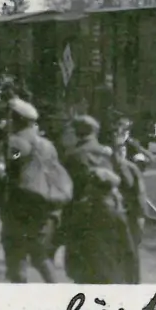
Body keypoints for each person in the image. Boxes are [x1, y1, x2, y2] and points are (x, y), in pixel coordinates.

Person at [0, 98, 70, 283]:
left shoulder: (15, 143)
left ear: (16, 119)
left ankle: (19, 292)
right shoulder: (47, 145)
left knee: (15, 253)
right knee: (39, 255)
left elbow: (6, 165)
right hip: (44, 205)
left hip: (19, 204)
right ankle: (56, 289)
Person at [60, 116, 137, 285]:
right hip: (113, 209)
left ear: (78, 132)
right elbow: (128, 182)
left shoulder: (73, 155)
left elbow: (67, 190)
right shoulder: (107, 153)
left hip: (82, 214)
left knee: (84, 268)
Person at [109, 117, 149, 282]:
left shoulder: (133, 150)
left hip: (129, 209)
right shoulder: (110, 159)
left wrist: (140, 215)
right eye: (119, 129)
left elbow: (148, 160)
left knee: (131, 249)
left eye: (125, 130)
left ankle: (132, 281)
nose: (121, 132)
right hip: (115, 209)